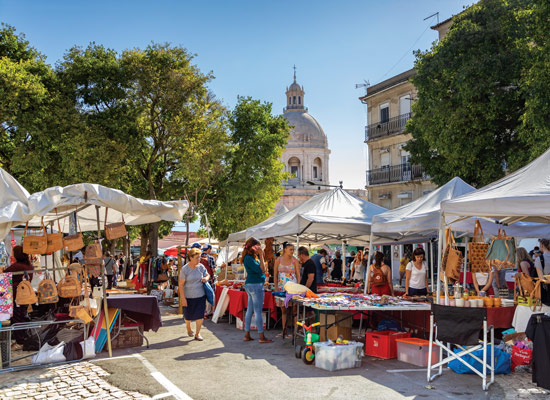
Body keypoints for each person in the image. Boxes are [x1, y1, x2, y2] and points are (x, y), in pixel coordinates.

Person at [241, 237, 272, 343]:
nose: (259, 248)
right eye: (257, 246)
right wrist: (261, 256)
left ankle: (247, 334)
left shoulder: (248, 257)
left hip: (251, 285)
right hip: (256, 285)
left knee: (250, 310)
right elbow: (262, 270)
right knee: (258, 311)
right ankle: (261, 336)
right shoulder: (250, 258)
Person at [179, 247, 209, 341]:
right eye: (197, 257)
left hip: (200, 295)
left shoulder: (201, 267)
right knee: (188, 315)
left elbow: (207, 275)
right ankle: (188, 328)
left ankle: (197, 333)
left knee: (200, 315)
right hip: (188, 296)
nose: (199, 259)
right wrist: (183, 299)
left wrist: (206, 279)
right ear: (190, 257)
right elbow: (180, 285)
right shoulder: (185, 269)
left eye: (199, 257)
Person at [5, 246, 34, 344]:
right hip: (26, 295)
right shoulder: (30, 265)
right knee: (23, 315)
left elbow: (4, 275)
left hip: (17, 296)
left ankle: (20, 341)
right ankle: (23, 338)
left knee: (17, 317)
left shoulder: (17, 266)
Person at [274, 242, 300, 339]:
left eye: (293, 250)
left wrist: (298, 287)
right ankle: (284, 331)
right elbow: (275, 274)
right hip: (281, 288)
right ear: (285, 249)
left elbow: (298, 275)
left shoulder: (295, 261)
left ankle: (295, 333)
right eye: (290, 249)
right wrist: (276, 287)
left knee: (294, 311)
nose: (292, 252)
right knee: (283, 310)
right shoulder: (278, 260)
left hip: (292, 289)